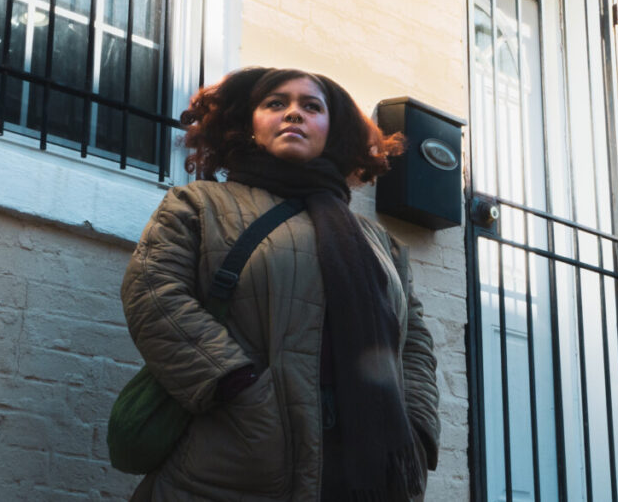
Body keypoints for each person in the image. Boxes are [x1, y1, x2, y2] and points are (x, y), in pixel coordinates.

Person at [121, 67, 440, 501]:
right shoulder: (199, 204)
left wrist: (417, 426)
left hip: (360, 463)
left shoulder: (379, 241)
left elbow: (415, 338)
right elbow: (153, 292)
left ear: (333, 131)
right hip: (240, 453)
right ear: (249, 124)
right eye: (276, 103)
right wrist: (237, 387)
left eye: (311, 106)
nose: (294, 114)